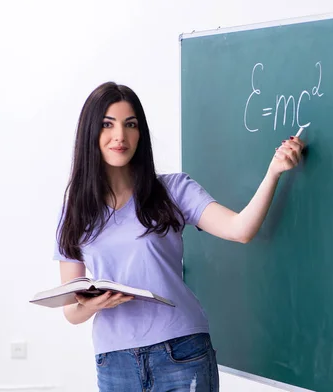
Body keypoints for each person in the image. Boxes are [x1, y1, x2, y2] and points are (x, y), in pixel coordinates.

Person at [53, 81, 305, 391]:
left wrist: (274, 171)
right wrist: (94, 304)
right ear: (91, 133)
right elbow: (71, 311)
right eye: (108, 124)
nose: (120, 136)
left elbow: (240, 230)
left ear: (140, 134)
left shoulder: (172, 190)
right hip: (114, 362)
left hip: (180, 352)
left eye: (130, 124)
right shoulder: (75, 211)